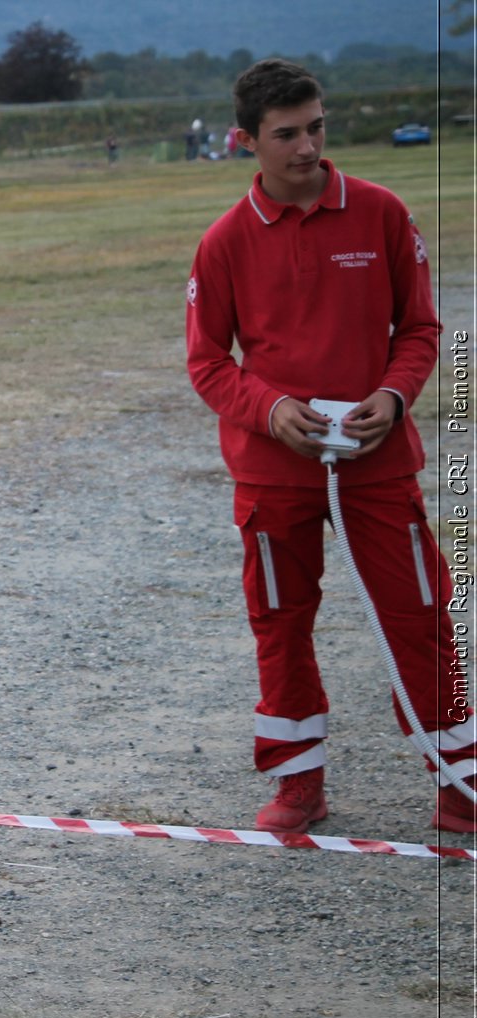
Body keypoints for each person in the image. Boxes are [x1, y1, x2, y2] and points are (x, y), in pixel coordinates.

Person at [185, 58, 472, 834]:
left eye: (316, 127)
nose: (307, 148)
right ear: (247, 141)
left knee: (420, 612)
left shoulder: (380, 213)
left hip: (377, 465)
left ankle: (461, 784)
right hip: (274, 475)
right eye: (286, 135)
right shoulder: (224, 242)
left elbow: (419, 328)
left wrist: (393, 394)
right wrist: (269, 407)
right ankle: (296, 782)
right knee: (281, 622)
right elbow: (208, 361)